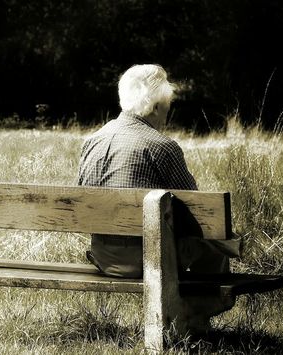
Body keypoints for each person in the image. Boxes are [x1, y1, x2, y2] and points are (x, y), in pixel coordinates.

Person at [77, 64, 198, 278]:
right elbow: (197, 208)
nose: (167, 113)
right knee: (219, 239)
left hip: (103, 258)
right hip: (150, 259)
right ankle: (202, 306)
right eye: (167, 106)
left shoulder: (92, 141)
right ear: (155, 108)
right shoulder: (162, 147)